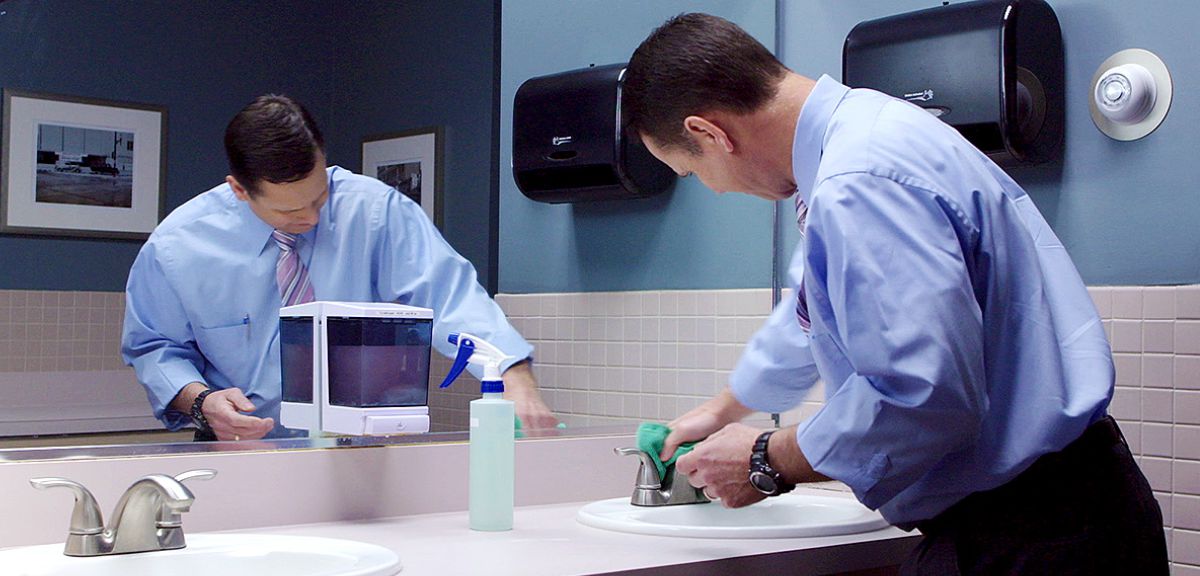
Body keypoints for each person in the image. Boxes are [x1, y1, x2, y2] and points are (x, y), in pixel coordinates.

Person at [622, 13, 1167, 575]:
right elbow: (809, 317)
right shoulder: (866, 136)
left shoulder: (858, 182)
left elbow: (921, 394)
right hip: (1057, 513)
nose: (714, 187)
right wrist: (721, 412)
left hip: (1035, 533)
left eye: (691, 170)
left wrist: (766, 459)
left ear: (710, 133)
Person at [122, 95, 557, 442]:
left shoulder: (376, 212)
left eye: (319, 197)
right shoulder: (177, 248)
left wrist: (512, 375)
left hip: (358, 451)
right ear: (239, 190)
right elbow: (155, 349)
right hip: (241, 450)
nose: (310, 219)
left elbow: (448, 297)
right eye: (289, 210)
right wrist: (202, 402)